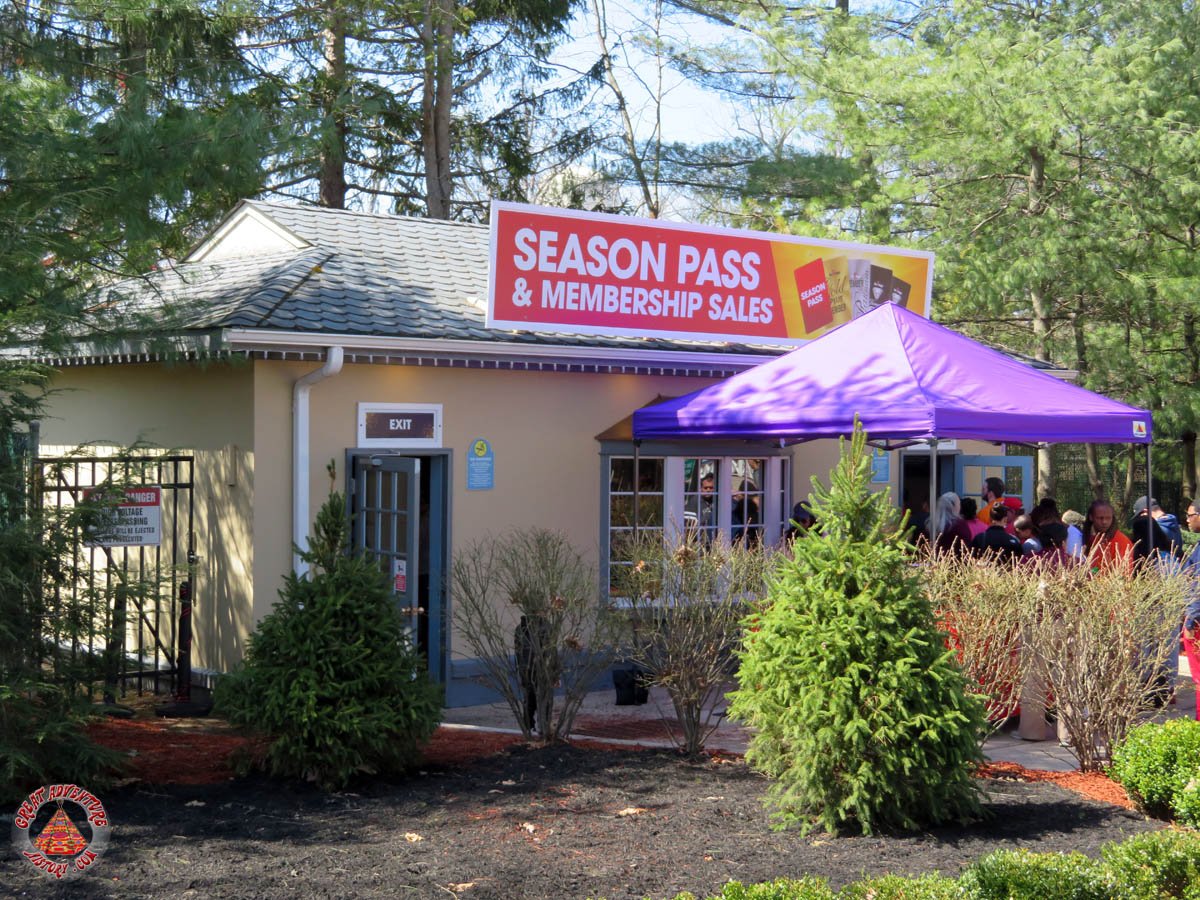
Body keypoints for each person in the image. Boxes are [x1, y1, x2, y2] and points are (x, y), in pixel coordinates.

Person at [1084, 499, 1133, 572]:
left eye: (1108, 518)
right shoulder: (1092, 539)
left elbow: (1124, 574)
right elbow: (1096, 568)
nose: (1104, 522)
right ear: (1091, 517)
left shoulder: (1121, 541)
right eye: (1100, 518)